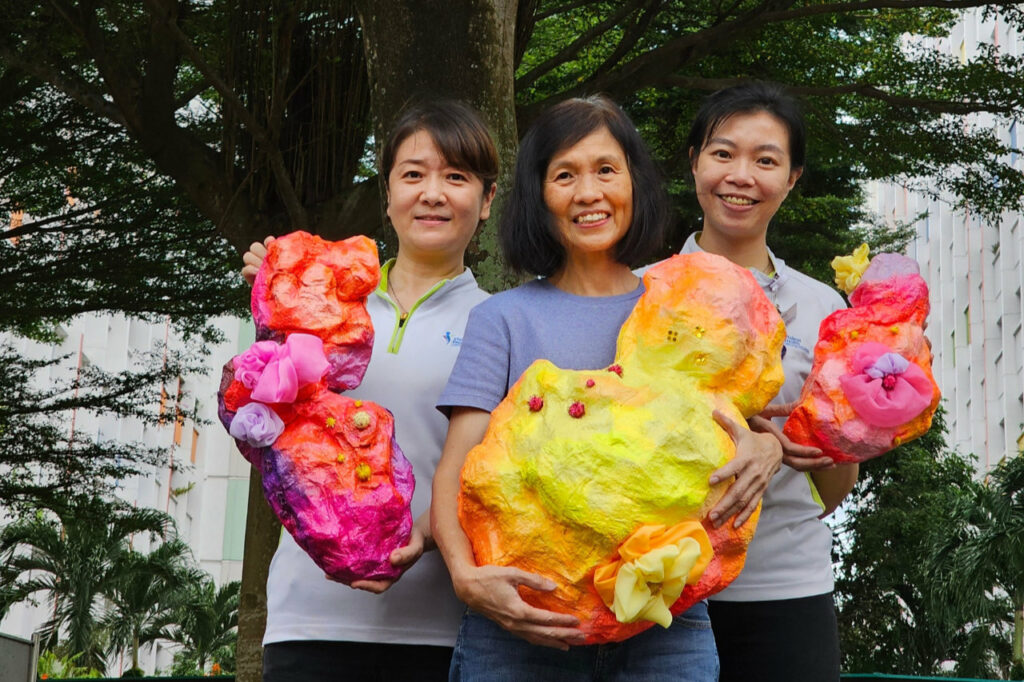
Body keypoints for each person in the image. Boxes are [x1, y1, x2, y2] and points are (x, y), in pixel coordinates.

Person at [431, 95, 784, 681]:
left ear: (635, 183)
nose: (588, 192)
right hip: (523, 621)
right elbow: (456, 464)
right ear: (539, 196)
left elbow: (737, 422)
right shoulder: (504, 317)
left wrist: (767, 448)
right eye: (564, 175)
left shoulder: (680, 307)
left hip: (666, 626)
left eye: (605, 170)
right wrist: (467, 580)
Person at [241, 100, 499, 682]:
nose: (432, 193)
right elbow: (264, 429)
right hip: (309, 621)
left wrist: (430, 530)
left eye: (456, 177)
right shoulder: (322, 308)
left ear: (485, 202)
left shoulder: (501, 322)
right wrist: (272, 305)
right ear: (387, 195)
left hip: (446, 627)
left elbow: (503, 471)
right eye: (413, 174)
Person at [681, 82, 859, 682]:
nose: (741, 175)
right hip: (661, 590)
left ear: (791, 178)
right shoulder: (642, 290)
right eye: (723, 153)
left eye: (766, 160)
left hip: (787, 587)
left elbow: (834, 485)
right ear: (695, 164)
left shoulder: (824, 306)